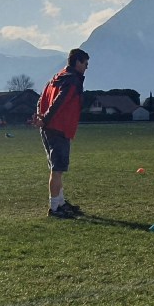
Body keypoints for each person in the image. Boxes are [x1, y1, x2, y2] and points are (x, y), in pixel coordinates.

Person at [35, 48, 89, 219]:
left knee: (56, 169)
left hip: (48, 128)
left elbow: (41, 99)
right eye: (85, 63)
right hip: (59, 128)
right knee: (57, 169)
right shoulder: (72, 80)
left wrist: (41, 117)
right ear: (77, 62)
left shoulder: (55, 78)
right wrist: (46, 118)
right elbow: (60, 101)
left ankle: (60, 202)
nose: (86, 67)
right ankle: (54, 208)